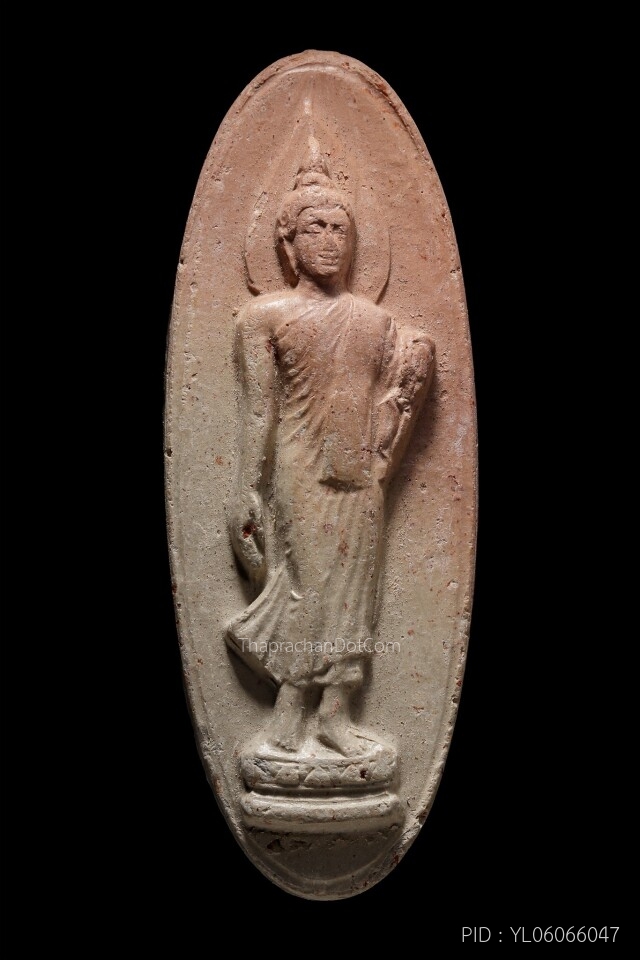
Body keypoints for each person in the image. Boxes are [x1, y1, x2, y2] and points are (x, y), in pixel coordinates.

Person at [227, 145, 435, 757]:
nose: (329, 240)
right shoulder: (262, 318)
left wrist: (412, 374)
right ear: (288, 244)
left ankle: (334, 716)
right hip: (300, 467)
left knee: (356, 591)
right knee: (310, 586)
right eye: (314, 227)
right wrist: (247, 487)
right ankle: (288, 715)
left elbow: (392, 399)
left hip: (360, 471)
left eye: (340, 228)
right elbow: (258, 412)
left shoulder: (375, 321)